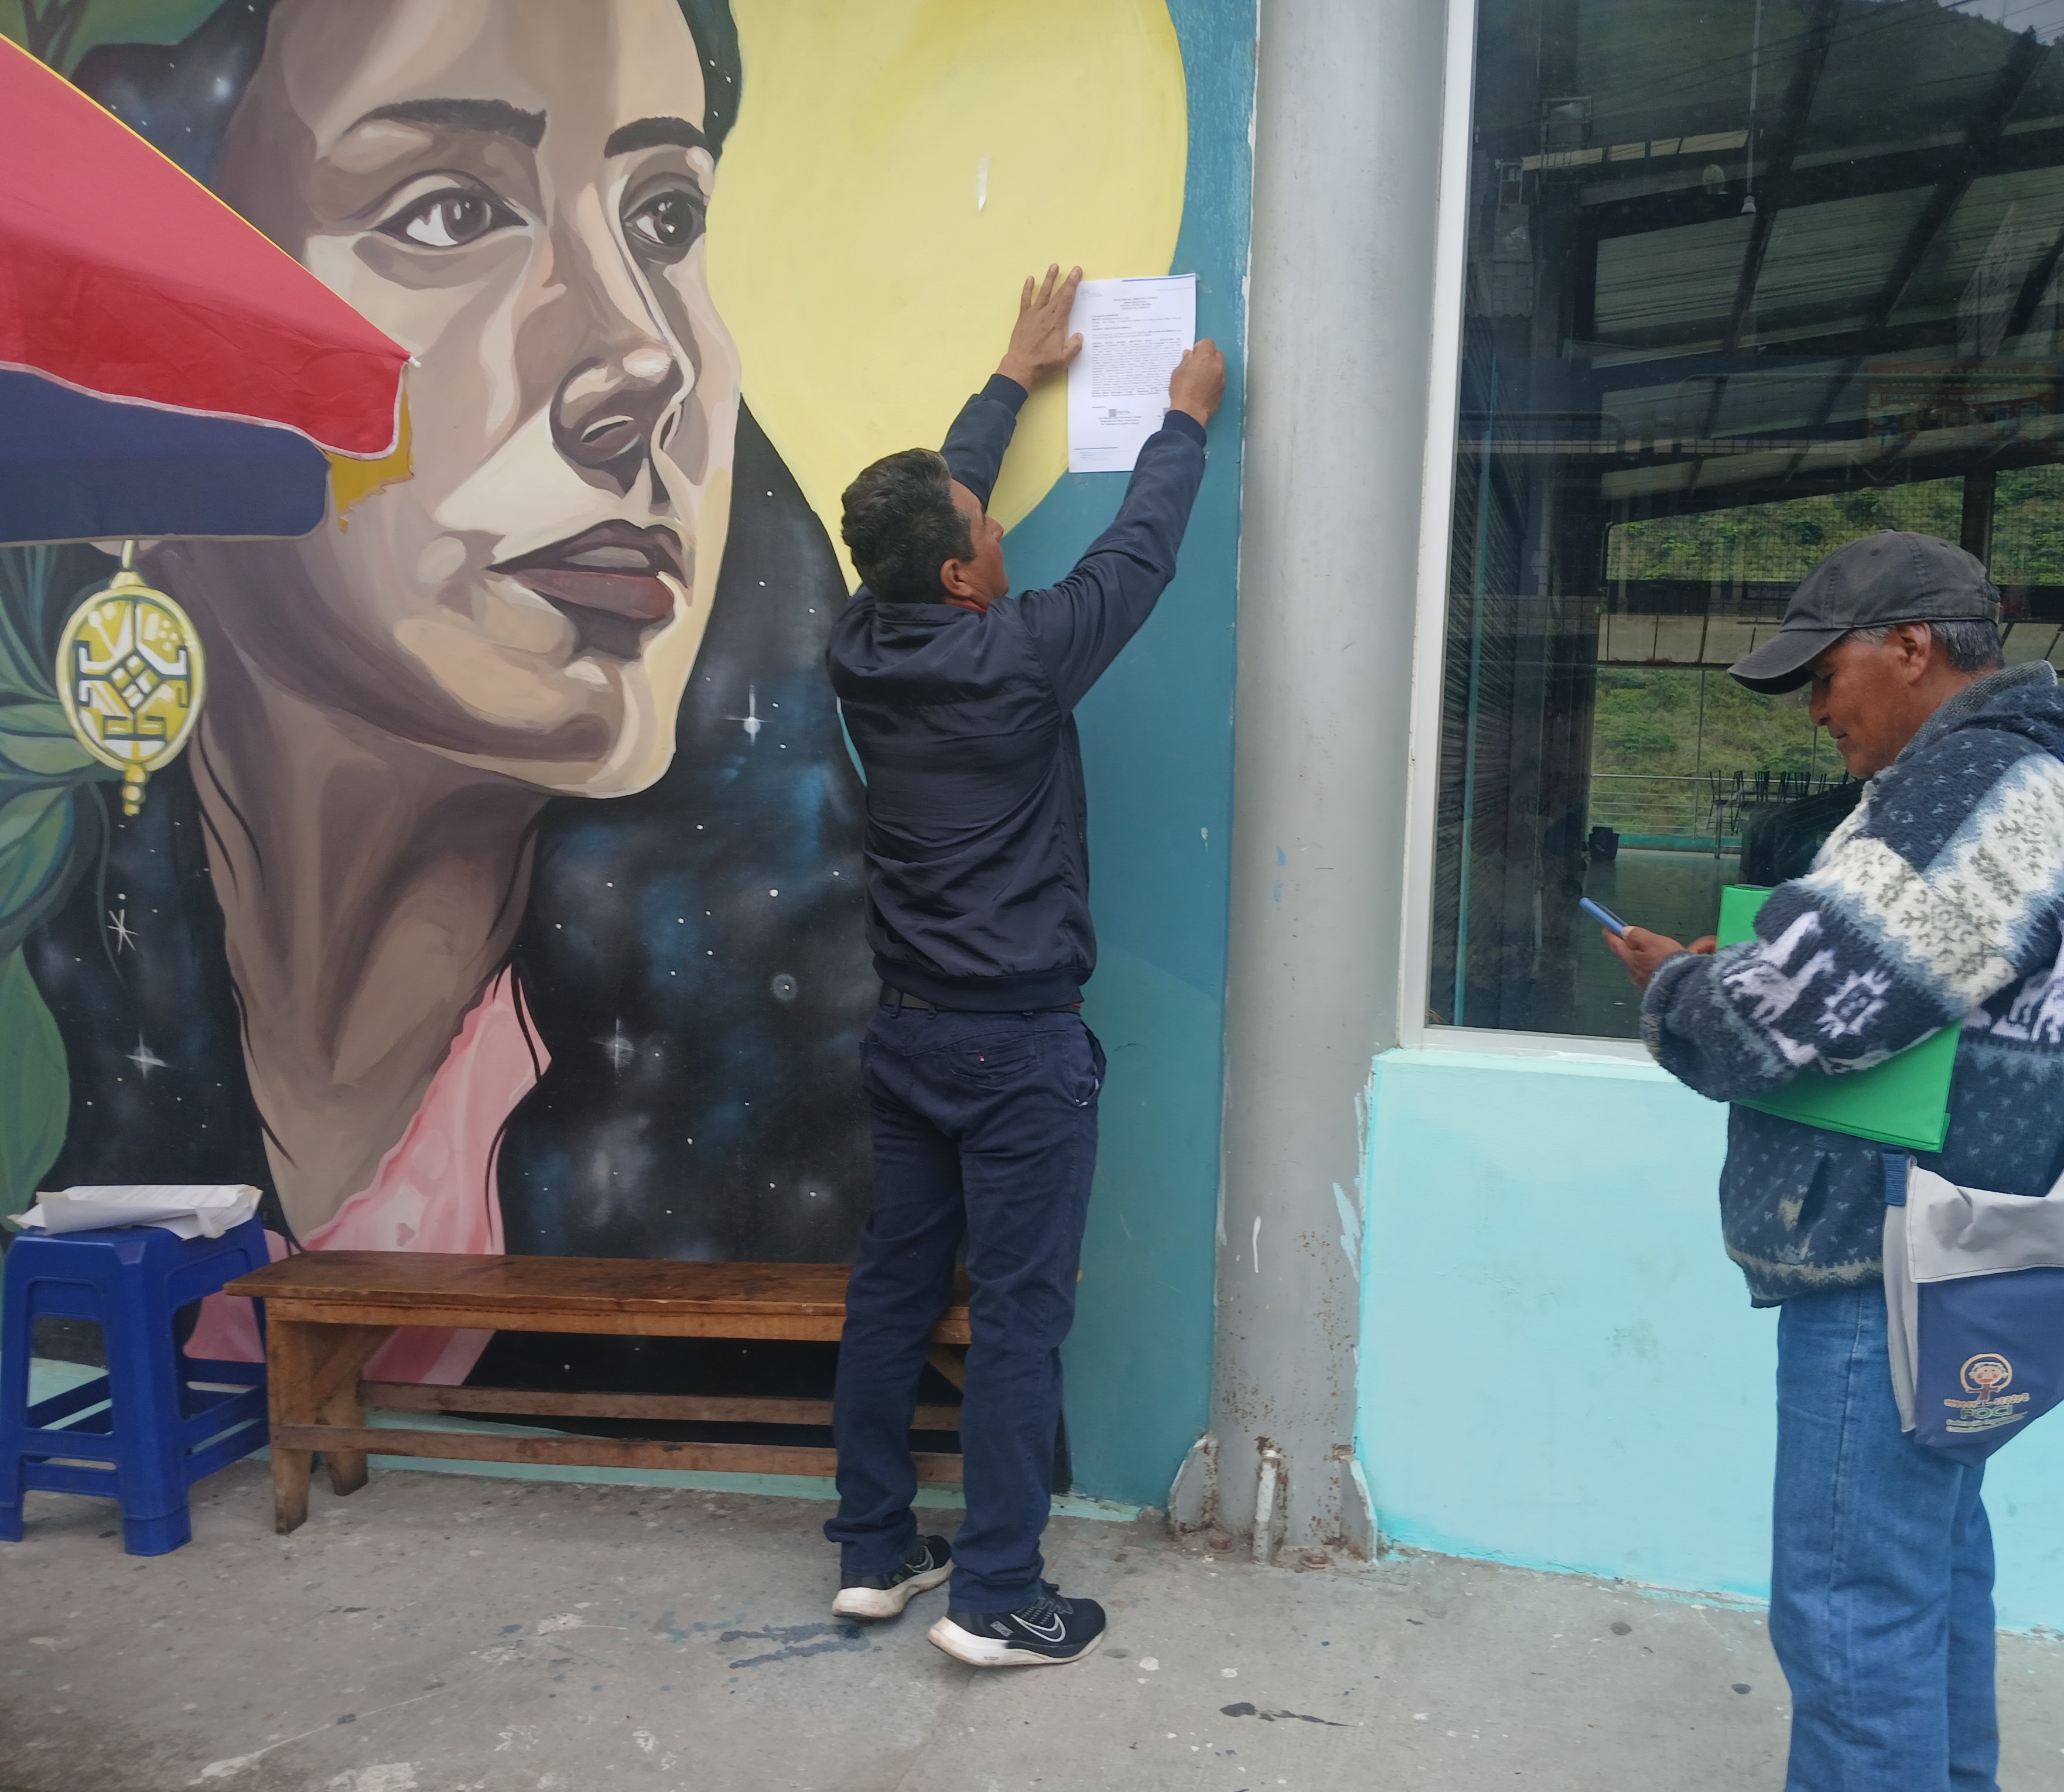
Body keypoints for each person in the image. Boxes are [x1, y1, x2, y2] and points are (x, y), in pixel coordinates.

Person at [8, 0, 879, 1395]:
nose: (645, 360)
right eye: (445, 212)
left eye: (665, 219)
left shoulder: (789, 1098)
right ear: (152, 371)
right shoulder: (72, 985)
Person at [1604, 531, 2064, 1791]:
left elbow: (1793, 1011)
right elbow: (1874, 977)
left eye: (1823, 675)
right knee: (1924, 1578)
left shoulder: (1977, 782)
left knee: (1851, 1613)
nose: (1816, 711)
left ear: (1910, 647)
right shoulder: (2013, 774)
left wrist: (1682, 989)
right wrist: (1751, 968)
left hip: (1889, 1259)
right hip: (1945, 1253)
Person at [822, 266, 1226, 1667]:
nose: (997, 526)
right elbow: (1138, 557)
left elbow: (936, 505)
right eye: (984, 526)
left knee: (894, 1289)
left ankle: (876, 1551)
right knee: (1016, 1319)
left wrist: (1010, 376)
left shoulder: (862, 641)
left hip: (908, 1038)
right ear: (960, 575)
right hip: (1015, 1051)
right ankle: (997, 1595)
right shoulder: (1023, 655)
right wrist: (1185, 420)